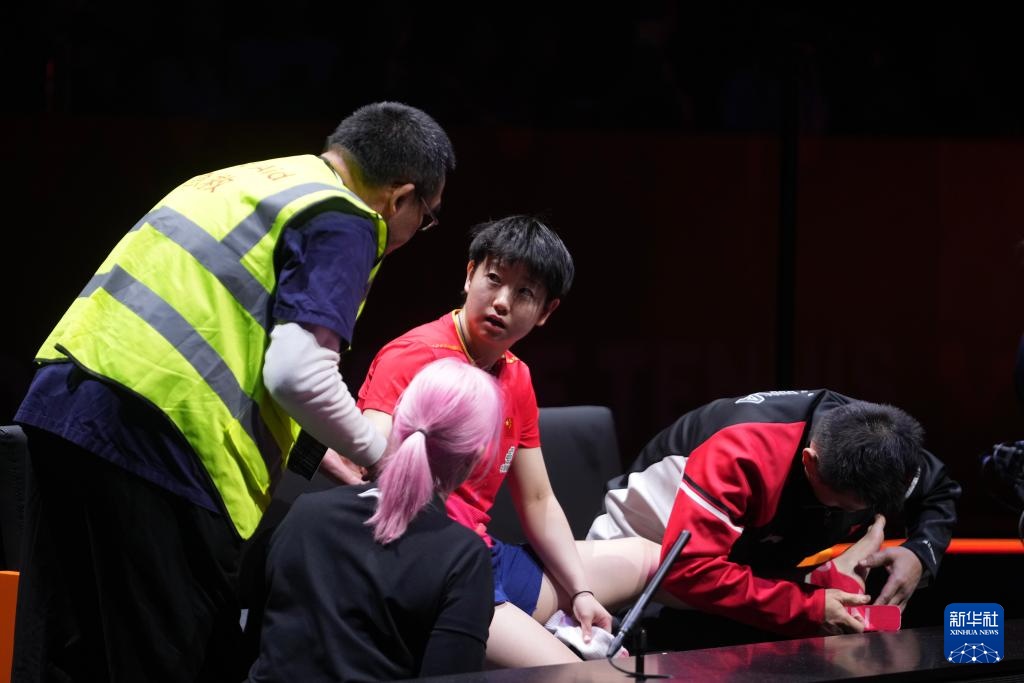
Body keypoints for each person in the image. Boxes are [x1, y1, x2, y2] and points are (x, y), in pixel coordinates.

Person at [13, 101, 455, 682]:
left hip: (62, 412)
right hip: (157, 447)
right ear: (401, 198)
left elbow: (224, 346)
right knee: (174, 663)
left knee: (67, 654)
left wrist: (327, 456)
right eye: (427, 218)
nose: (416, 233)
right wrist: (382, 456)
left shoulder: (236, 181)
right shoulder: (345, 215)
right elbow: (298, 375)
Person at [350, 215, 661, 667]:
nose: (501, 302)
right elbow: (369, 461)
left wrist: (581, 592)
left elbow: (537, 500)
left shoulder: (517, 377)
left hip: (483, 553)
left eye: (524, 293)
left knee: (656, 558)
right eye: (494, 279)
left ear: (546, 312)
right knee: (580, 674)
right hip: (429, 565)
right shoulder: (412, 356)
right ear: (469, 274)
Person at [588, 390, 961, 639]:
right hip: (646, 564)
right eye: (843, 507)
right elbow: (692, 571)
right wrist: (807, 606)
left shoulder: (884, 445)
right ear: (810, 463)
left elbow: (939, 488)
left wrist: (920, 552)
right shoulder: (743, 451)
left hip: (749, 563)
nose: (852, 516)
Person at [249, 358, 500, 682]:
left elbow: (259, 645)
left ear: (398, 422)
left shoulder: (306, 512)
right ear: (475, 456)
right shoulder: (463, 557)